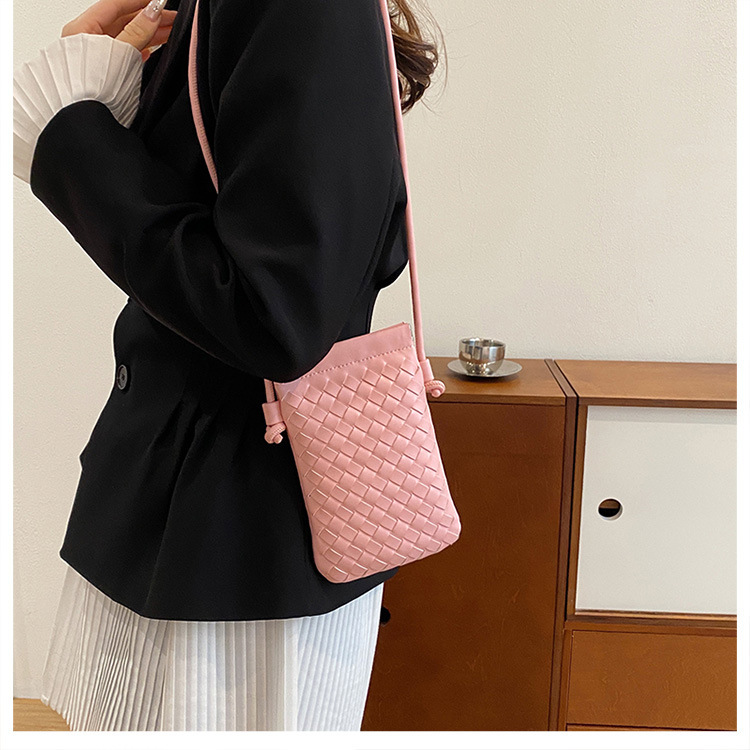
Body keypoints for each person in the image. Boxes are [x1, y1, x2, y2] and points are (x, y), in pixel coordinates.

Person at [13, 0, 440, 731]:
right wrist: (103, 87)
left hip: (237, 555)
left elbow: (275, 313)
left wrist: (73, 129)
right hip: (189, 520)